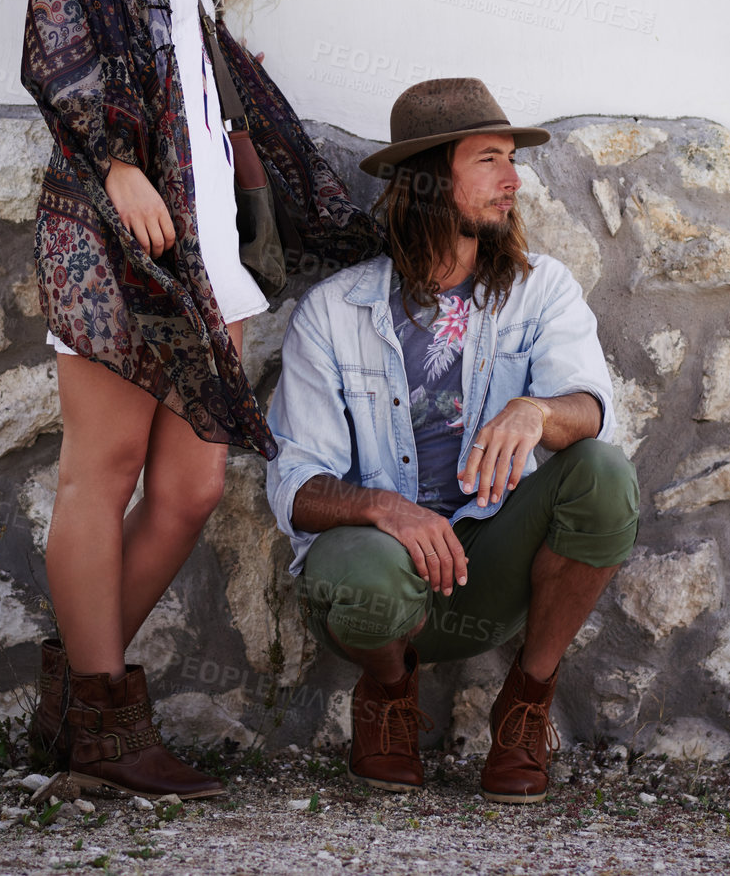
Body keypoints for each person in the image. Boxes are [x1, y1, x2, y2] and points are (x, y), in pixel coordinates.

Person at [21, 0, 382, 800]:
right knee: (106, 470)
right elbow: (58, 31)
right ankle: (105, 725)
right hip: (117, 223)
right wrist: (116, 159)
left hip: (198, 243)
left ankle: (75, 707)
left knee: (191, 484)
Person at [265, 78, 640, 804]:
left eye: (511, 159)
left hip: (492, 571)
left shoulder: (541, 290)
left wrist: (535, 411)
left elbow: (590, 409)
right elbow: (294, 484)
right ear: (430, 182)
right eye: (489, 160)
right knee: (363, 570)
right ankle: (388, 691)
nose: (512, 180)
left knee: (603, 474)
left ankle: (526, 701)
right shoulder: (334, 314)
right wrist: (386, 510)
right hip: (379, 583)